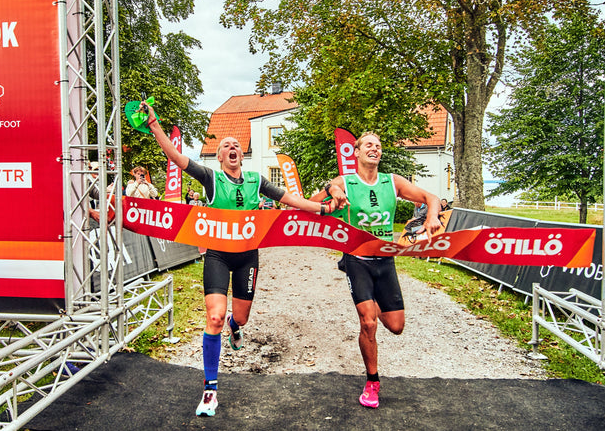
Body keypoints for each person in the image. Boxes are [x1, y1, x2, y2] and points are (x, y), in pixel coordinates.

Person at [141, 101, 341, 417]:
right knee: (215, 318)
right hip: (218, 256)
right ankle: (210, 389)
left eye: (236, 145)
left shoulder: (256, 181)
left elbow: (293, 201)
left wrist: (326, 209)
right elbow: (177, 158)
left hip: (247, 257)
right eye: (225, 146)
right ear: (220, 157)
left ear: (241, 155)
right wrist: (154, 126)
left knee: (239, 318)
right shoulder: (210, 177)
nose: (232, 148)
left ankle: (237, 326)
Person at [315, 132, 441, 409]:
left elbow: (431, 197)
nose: (375, 149)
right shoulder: (346, 181)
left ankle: (373, 302)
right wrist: (330, 191)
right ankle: (372, 381)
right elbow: (312, 203)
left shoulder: (392, 182)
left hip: (385, 259)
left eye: (379, 146)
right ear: (356, 153)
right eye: (369, 145)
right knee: (368, 322)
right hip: (356, 259)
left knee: (396, 327)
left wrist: (432, 214)